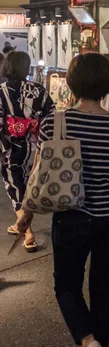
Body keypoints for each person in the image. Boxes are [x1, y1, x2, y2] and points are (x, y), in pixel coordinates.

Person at [17, 53, 109, 347]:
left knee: (67, 285)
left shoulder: (54, 123)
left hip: (72, 215)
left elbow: (42, 173)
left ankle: (88, 342)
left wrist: (26, 214)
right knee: (104, 286)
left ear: (70, 84)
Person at [0, 51, 54, 252]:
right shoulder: (39, 90)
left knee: (16, 186)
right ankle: (19, 224)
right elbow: (52, 116)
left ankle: (28, 232)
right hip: (36, 147)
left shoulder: (1, 91)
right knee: (30, 183)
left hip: (12, 148)